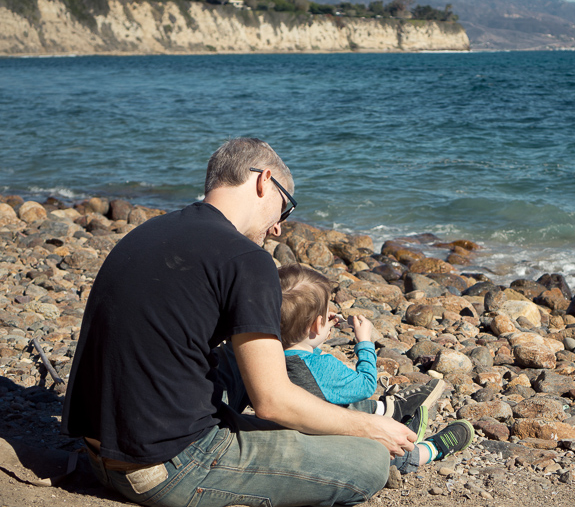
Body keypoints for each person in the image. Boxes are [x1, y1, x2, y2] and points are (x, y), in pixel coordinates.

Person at [60, 137, 440, 507]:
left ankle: (349, 416)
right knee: (369, 461)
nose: (278, 227)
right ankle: (370, 418)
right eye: (284, 208)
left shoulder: (148, 233)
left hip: (100, 451)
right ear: (264, 180)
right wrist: (370, 430)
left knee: (239, 360)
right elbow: (271, 403)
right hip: (166, 467)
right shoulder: (245, 257)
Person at [277, 264, 474, 473]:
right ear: (316, 325)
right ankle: (432, 448)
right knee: (392, 454)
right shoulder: (322, 367)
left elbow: (301, 355)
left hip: (297, 440)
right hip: (334, 446)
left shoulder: (268, 360)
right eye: (326, 316)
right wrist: (365, 342)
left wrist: (316, 334)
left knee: (337, 400)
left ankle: (390, 411)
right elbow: (366, 385)